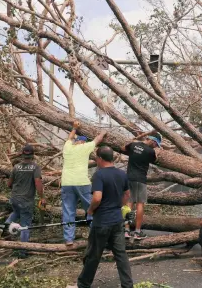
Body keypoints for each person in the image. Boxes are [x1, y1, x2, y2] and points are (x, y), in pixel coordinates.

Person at [75, 146, 133, 288]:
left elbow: (97, 198)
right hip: (117, 221)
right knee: (121, 255)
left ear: (100, 159)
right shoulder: (122, 174)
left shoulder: (99, 175)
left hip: (101, 222)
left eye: (96, 157)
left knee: (93, 255)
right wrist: (118, 205)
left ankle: (83, 284)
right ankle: (128, 285)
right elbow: (127, 194)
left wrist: (90, 210)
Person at [61, 121, 107, 246]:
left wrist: (74, 127)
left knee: (68, 211)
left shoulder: (67, 147)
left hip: (66, 183)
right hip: (82, 182)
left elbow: (70, 138)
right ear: (82, 142)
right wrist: (103, 132)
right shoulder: (85, 147)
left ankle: (69, 239)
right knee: (91, 209)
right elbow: (97, 139)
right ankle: (96, 235)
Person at [121, 132, 162, 240]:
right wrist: (156, 151)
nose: (156, 146)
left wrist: (132, 142)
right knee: (140, 205)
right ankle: (137, 232)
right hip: (140, 180)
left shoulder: (133, 145)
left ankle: (126, 230)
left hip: (129, 178)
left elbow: (123, 148)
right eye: (156, 144)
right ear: (152, 141)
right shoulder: (150, 151)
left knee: (128, 204)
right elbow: (155, 159)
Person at [5, 144, 45, 248]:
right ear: (33, 155)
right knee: (25, 225)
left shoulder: (16, 167)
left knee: (16, 212)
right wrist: (42, 197)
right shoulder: (35, 167)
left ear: (22, 155)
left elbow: (9, 184)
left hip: (14, 198)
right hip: (26, 201)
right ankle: (23, 250)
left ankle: (6, 225)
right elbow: (38, 183)